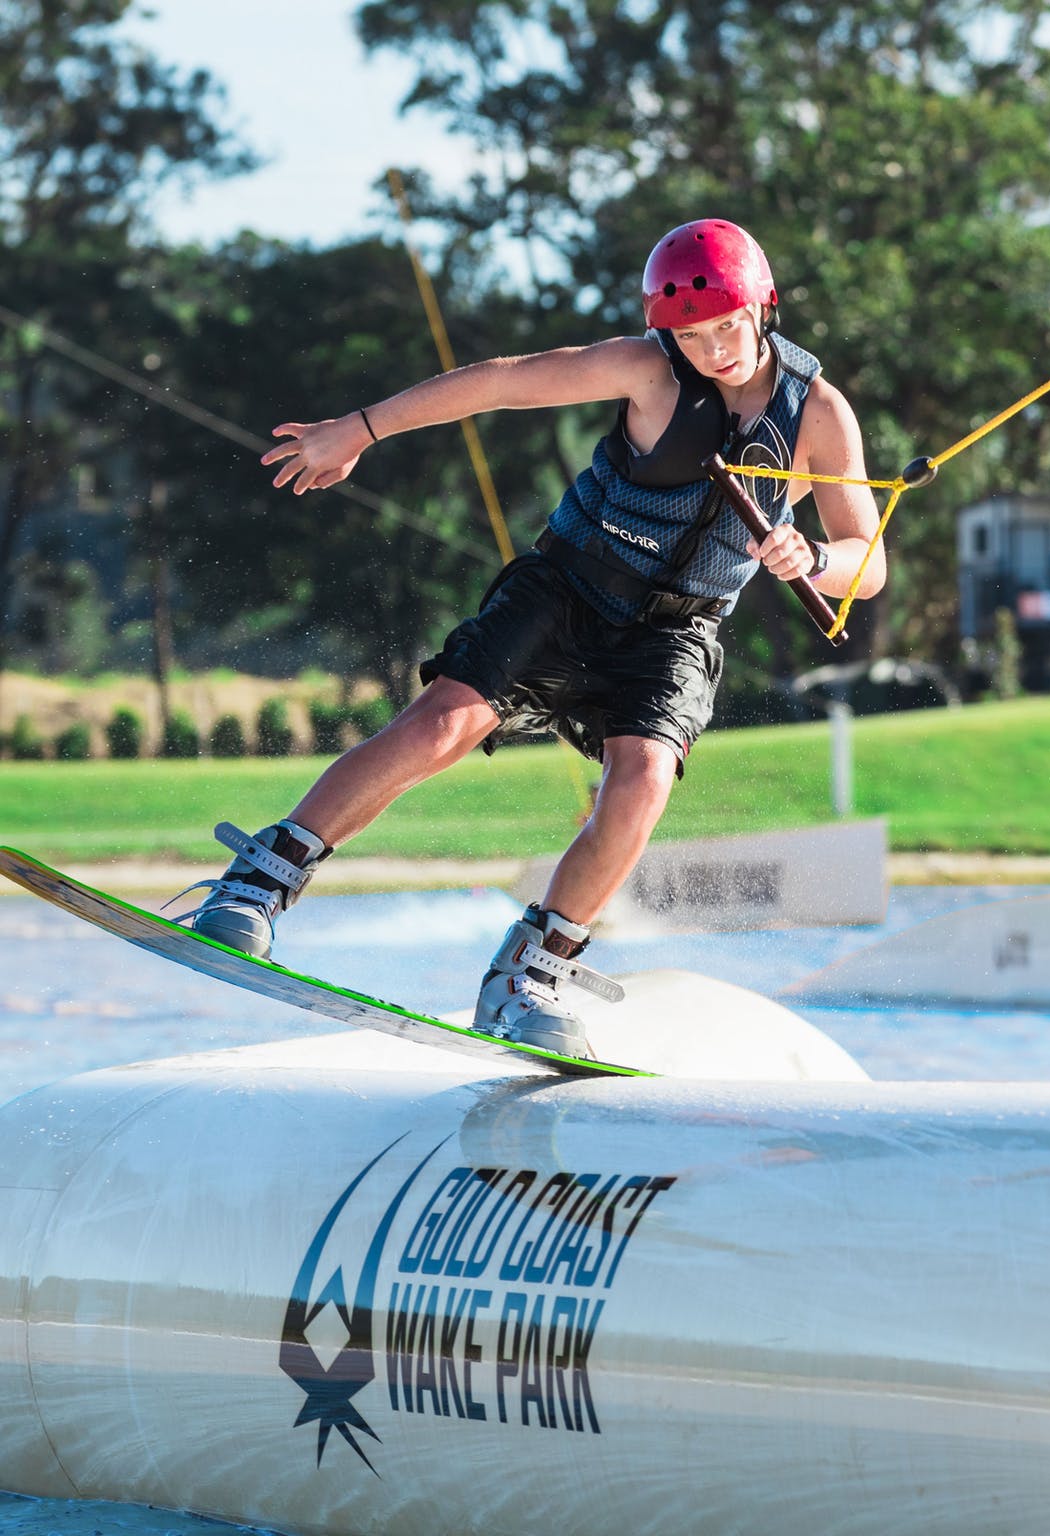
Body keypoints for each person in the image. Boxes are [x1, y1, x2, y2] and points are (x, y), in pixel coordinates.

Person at [179, 219, 885, 1060]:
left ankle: (531, 975)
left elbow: (867, 561)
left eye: (728, 328)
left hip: (677, 630)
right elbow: (504, 383)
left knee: (644, 778)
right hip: (570, 586)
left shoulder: (818, 413)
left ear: (763, 307)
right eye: (692, 336)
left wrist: (816, 557)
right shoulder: (647, 367)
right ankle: (260, 882)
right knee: (445, 723)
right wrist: (361, 429)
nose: (713, 351)